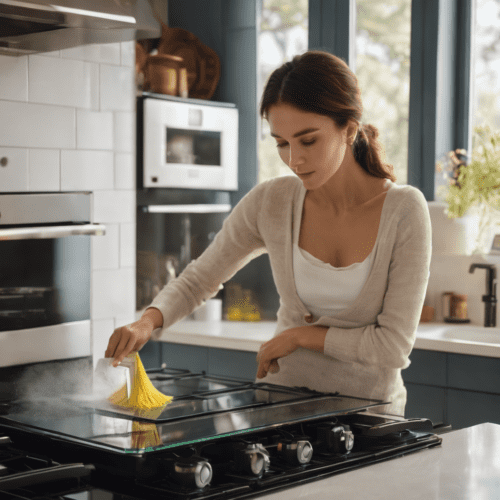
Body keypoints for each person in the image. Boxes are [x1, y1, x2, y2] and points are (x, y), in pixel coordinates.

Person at [105, 50, 431, 416]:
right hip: (281, 409)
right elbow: (200, 279)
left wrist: (299, 336)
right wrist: (147, 321)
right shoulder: (272, 202)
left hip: (370, 418)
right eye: (281, 143)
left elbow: (392, 347)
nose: (294, 159)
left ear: (349, 129)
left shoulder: (404, 210)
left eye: (308, 141)